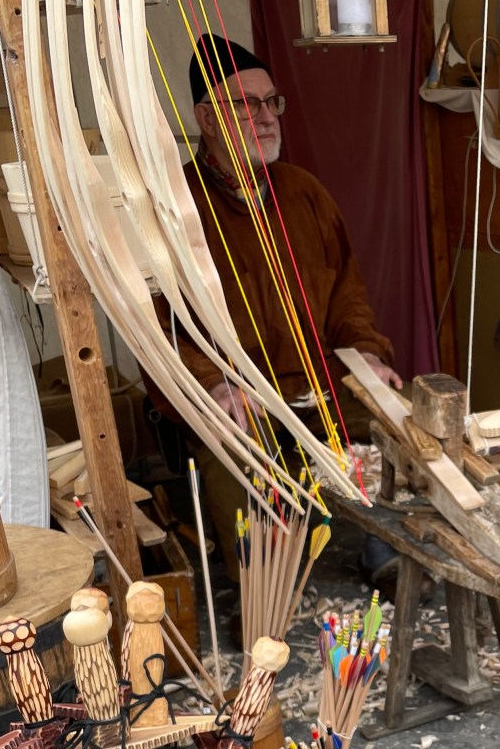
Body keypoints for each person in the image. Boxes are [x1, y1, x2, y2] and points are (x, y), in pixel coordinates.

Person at [159, 32, 401, 575]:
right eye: (247, 105)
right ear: (206, 118)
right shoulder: (178, 208)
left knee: (400, 418)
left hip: (319, 387)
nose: (267, 117)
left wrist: (367, 353)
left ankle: (386, 549)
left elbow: (348, 297)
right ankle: (267, 583)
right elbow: (162, 328)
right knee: (237, 460)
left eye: (272, 102)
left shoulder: (304, 192)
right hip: (242, 400)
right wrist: (214, 385)